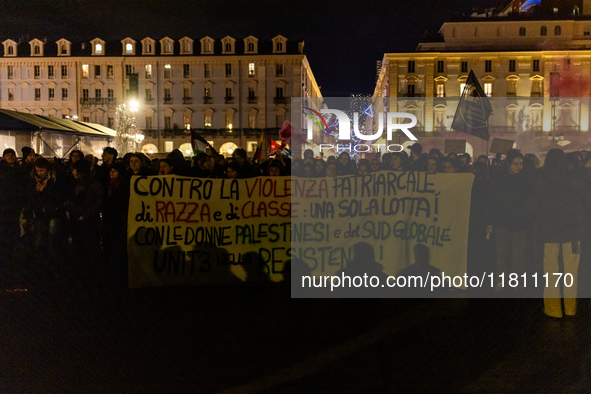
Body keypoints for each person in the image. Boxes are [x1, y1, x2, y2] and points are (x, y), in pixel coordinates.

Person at [535, 149, 584, 318]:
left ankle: (553, 309)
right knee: (571, 272)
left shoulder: (541, 178)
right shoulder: (574, 177)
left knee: (550, 272)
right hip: (572, 232)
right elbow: (582, 203)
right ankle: (570, 308)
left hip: (549, 232)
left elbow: (538, 206)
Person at [489, 150, 533, 292]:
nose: (518, 166)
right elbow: (494, 201)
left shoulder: (526, 180)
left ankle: (515, 282)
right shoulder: (500, 180)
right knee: (501, 255)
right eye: (515, 164)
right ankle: (501, 281)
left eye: (520, 164)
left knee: (518, 257)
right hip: (503, 222)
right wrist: (491, 220)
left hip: (519, 224)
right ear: (509, 164)